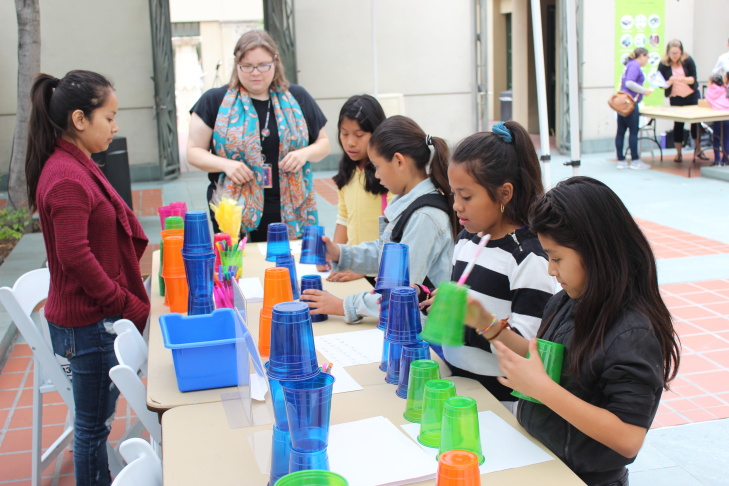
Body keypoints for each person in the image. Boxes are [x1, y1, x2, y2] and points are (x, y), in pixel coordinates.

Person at [467, 176, 680, 485]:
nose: (551, 270)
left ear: (597, 252)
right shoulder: (565, 301)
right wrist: (487, 325)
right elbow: (545, 360)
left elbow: (628, 437)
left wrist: (541, 389)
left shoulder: (633, 332)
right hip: (542, 458)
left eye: (556, 258)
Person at [25, 71, 150, 485]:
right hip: (89, 323)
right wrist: (121, 301)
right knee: (93, 429)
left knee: (94, 424)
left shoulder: (74, 164)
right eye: (109, 117)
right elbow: (74, 255)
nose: (116, 127)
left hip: (89, 319)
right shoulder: (66, 176)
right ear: (80, 119)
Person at [433, 121, 556, 414]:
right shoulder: (466, 241)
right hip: (461, 387)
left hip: (501, 401)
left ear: (504, 194)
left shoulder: (527, 257)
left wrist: (483, 323)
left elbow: (529, 351)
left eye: (467, 196)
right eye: (453, 195)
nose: (456, 206)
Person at [301, 115, 458, 323]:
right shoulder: (409, 204)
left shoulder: (424, 217)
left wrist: (342, 305)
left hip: (424, 332)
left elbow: (400, 290)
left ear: (399, 161)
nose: (376, 175)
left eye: (377, 166)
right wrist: (340, 253)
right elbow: (385, 254)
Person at [187, 30, 330, 241]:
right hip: (234, 206)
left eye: (263, 65)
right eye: (247, 66)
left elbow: (323, 144)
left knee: (287, 266)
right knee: (238, 268)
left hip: (291, 204)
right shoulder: (214, 100)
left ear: (275, 63)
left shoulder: (297, 97)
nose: (255, 73)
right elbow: (193, 152)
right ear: (237, 65)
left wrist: (304, 154)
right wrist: (227, 165)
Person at [324, 95, 391, 284]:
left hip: (381, 271)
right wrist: (334, 254)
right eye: (344, 134)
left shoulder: (388, 176)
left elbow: (396, 233)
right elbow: (343, 218)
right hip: (354, 268)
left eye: (359, 135)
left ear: (377, 133)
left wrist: (362, 269)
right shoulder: (348, 170)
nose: (350, 142)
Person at [657, 39, 703, 163]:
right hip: (676, 97)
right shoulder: (664, 64)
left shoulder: (688, 60)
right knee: (678, 124)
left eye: (677, 53)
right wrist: (670, 81)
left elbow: (693, 79)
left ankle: (698, 149)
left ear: (681, 52)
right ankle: (678, 153)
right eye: (672, 53)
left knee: (695, 123)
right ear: (668, 53)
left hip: (691, 95)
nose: (675, 56)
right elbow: (660, 84)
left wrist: (683, 79)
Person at [615, 48, 654, 170]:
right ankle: (635, 159)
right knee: (633, 131)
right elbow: (629, 83)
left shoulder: (629, 65)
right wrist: (644, 91)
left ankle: (621, 159)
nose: (647, 60)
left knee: (621, 131)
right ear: (642, 56)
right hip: (630, 102)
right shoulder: (634, 65)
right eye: (647, 57)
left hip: (622, 101)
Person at [705, 73, 729, 165]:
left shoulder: (710, 90)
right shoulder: (725, 88)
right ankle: (725, 160)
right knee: (726, 138)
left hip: (717, 116)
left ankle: (717, 160)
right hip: (727, 115)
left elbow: (710, 102)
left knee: (716, 138)